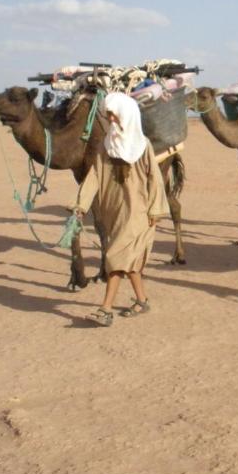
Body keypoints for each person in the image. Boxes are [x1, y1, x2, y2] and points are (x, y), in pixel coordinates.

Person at [75, 92, 169, 327]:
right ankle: (142, 301)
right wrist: (81, 204)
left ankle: (105, 310)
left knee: (114, 257)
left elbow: (155, 179)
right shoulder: (106, 146)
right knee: (130, 261)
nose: (111, 120)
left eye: (115, 116)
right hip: (113, 211)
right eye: (109, 116)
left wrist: (156, 209)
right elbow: (94, 176)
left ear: (127, 115)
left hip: (138, 212)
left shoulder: (142, 146)